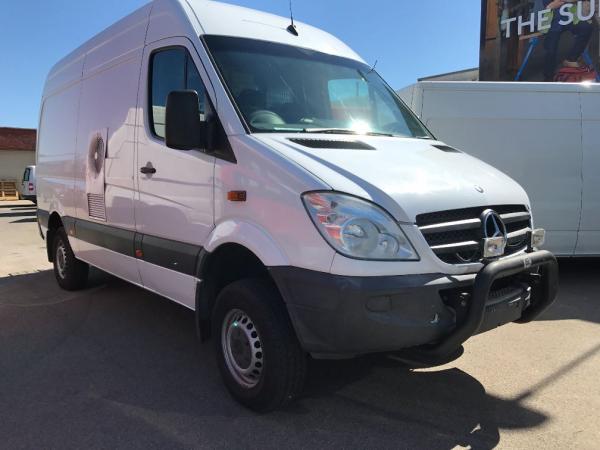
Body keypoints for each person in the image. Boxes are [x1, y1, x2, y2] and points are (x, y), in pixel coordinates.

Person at [543, 0, 595, 81]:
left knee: (586, 28)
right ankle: (548, 77)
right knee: (550, 48)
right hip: (551, 19)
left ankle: (570, 59)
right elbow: (551, 5)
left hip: (569, 17)